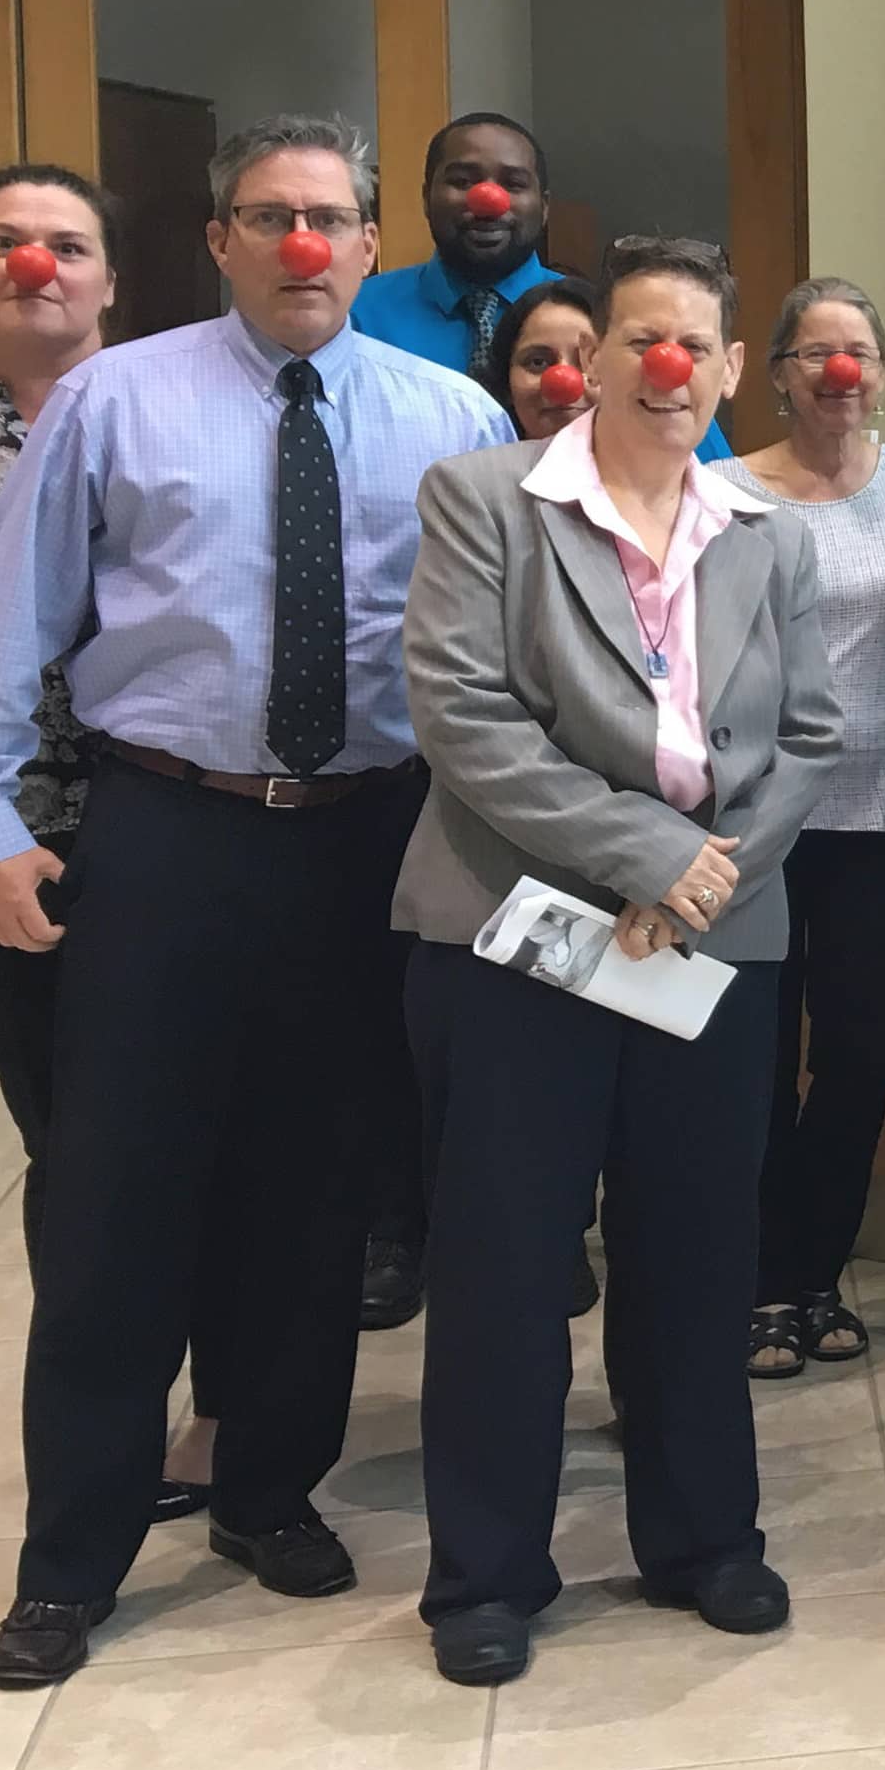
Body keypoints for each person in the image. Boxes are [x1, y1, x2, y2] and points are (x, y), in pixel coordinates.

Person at [0, 115, 511, 1688]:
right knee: (119, 1199)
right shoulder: (119, 400)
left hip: (365, 843)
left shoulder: (450, 413)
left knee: (316, 1194)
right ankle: (73, 1556)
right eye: (271, 217)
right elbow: (1, 629)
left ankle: (267, 1489)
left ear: (372, 242)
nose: (303, 245)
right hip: (169, 835)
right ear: (222, 241)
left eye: (330, 218)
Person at [391, 234, 837, 1688]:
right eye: (638, 337)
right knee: (508, 1262)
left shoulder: (764, 531)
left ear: (723, 372)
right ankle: (487, 1574)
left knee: (699, 1255)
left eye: (694, 343)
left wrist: (702, 884)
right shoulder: (484, 503)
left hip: (711, 941)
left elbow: (807, 740)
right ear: (587, 364)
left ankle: (706, 1538)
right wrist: (644, 861)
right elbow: (467, 721)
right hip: (518, 935)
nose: (665, 366)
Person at [0, 165, 229, 1523]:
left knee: (202, 1124)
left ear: (111, 277)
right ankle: (104, 1434)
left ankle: (223, 1407)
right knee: (72, 1142)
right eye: (5, 244)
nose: (37, 268)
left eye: (67, 244)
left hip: (166, 826)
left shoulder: (172, 412)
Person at [358, 269, 620, 1333]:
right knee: (495, 1114)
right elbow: (463, 710)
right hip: (497, 856)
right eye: (534, 359)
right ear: (500, 380)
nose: (561, 380)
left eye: (580, 356)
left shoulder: (697, 502)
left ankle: (564, 1242)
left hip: (633, 876)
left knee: (607, 1097)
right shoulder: (468, 499)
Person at [717, 279, 885, 1379]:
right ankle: (758, 1280)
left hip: (880, 806)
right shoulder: (719, 490)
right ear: (774, 372)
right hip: (751, 815)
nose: (839, 372)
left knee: (861, 1049)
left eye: (858, 349)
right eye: (814, 352)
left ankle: (817, 1270)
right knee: (756, 1052)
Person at [352, 111, 728, 461]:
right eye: (462, 181)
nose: (489, 201)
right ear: (425, 197)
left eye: (514, 184)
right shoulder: (358, 314)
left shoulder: (614, 321)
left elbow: (707, 467)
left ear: (544, 207)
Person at [482, 275, 607, 445]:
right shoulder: (472, 471)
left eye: (589, 360)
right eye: (538, 362)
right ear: (506, 383)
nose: (563, 382)